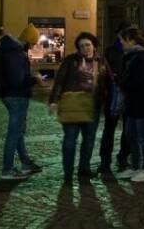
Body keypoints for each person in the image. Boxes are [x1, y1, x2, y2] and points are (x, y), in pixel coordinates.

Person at [49, 32, 111, 182]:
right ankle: (68, 172)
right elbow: (60, 81)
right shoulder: (71, 61)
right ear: (78, 48)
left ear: (94, 45)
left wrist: (106, 99)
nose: (85, 48)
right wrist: (54, 100)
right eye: (82, 45)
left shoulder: (101, 61)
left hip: (92, 105)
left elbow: (108, 82)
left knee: (89, 139)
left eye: (88, 44)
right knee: (70, 139)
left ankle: (84, 169)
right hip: (72, 104)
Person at [0, 24, 44, 180]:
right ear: (27, 41)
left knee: (18, 132)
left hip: (9, 95)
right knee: (14, 133)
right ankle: (7, 169)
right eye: (32, 43)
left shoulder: (9, 51)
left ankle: (25, 163)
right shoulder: (17, 54)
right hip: (17, 96)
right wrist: (34, 79)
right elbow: (18, 81)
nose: (32, 47)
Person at [117, 28, 144, 182]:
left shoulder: (142, 57)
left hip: (143, 103)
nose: (121, 44)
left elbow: (137, 81)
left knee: (143, 137)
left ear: (131, 41)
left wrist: (122, 82)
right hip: (133, 103)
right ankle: (135, 167)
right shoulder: (132, 56)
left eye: (122, 41)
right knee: (131, 135)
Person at [99, 21, 132, 174]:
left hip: (121, 92)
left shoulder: (116, 50)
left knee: (125, 128)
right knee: (111, 128)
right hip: (116, 93)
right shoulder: (114, 51)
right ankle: (108, 161)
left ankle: (121, 157)